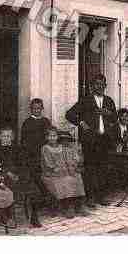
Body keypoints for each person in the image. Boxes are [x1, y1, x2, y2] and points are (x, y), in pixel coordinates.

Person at [66, 74, 118, 207]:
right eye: (97, 84)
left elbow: (115, 119)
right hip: (90, 140)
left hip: (105, 140)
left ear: (105, 86)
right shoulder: (86, 100)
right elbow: (69, 114)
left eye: (102, 84)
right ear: (92, 86)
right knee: (90, 169)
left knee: (103, 168)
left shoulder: (109, 101)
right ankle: (90, 197)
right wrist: (81, 122)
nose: (99, 86)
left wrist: (109, 114)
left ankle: (102, 196)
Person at [0, 126, 43, 227]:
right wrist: (8, 172)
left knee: (35, 190)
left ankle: (34, 216)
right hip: (4, 177)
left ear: (12, 138)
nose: (6, 138)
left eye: (8, 136)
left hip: (18, 177)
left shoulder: (18, 149)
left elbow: (24, 164)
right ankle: (7, 217)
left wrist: (20, 175)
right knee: (9, 189)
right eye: (4, 136)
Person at [41, 126, 88, 219]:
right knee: (66, 180)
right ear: (46, 137)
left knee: (77, 177)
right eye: (50, 136)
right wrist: (60, 169)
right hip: (51, 174)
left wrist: (71, 168)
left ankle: (80, 204)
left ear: (57, 137)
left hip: (63, 171)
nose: (52, 138)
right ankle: (68, 206)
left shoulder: (61, 147)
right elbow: (48, 164)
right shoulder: (45, 148)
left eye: (54, 136)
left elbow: (67, 160)